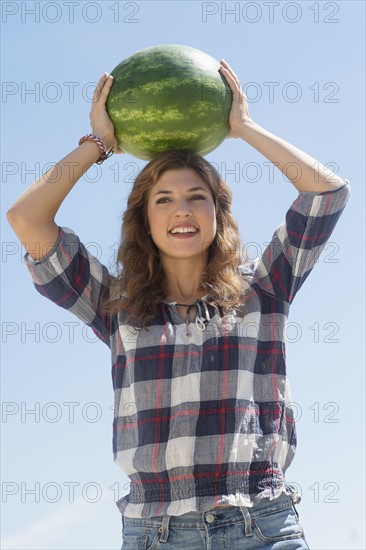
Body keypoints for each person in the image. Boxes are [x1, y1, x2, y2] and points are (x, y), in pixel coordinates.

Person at [7, 60, 350, 549]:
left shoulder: (265, 288)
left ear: (218, 212)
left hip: (263, 525)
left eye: (196, 197)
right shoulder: (114, 304)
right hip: (156, 533)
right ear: (144, 221)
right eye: (163, 200)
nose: (182, 210)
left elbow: (328, 192)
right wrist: (98, 145)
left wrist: (243, 128)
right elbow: (26, 218)